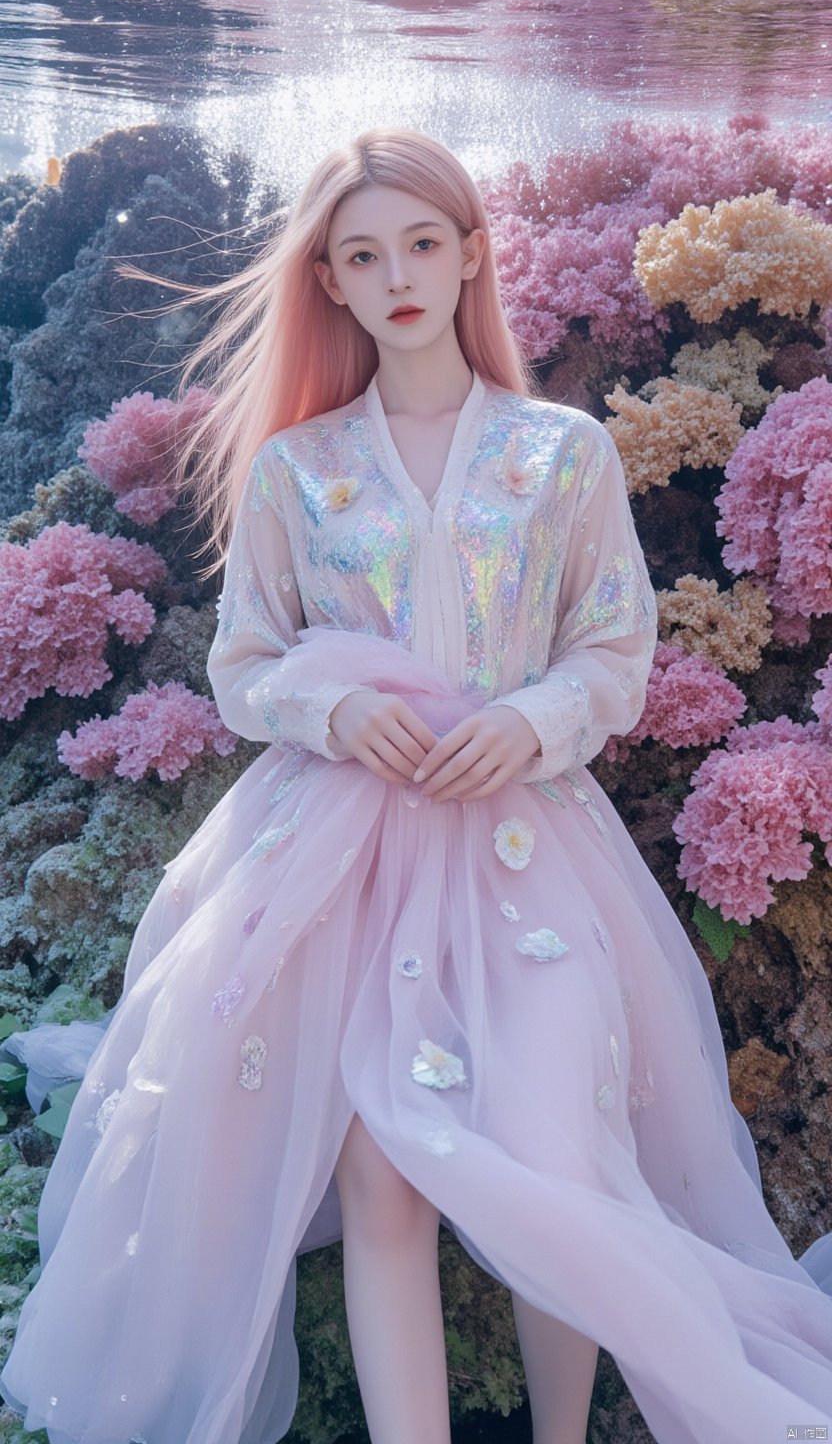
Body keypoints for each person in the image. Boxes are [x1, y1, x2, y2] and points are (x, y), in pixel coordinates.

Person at [1, 126, 831, 1444]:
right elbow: (243, 665)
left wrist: (537, 719)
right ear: (328, 279)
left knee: (562, 1161)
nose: (397, 275)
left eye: (424, 244)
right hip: (340, 867)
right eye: (363, 254)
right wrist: (331, 710)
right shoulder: (297, 468)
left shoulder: (565, 454)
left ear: (472, 257)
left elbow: (615, 648)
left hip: (531, 848)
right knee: (386, 1191)